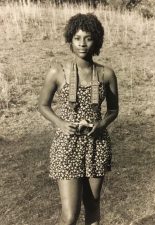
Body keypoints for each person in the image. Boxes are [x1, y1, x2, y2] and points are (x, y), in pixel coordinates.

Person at [38, 13, 119, 225]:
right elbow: (43, 105)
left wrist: (100, 124)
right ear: (70, 40)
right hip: (67, 146)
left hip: (96, 145)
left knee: (93, 206)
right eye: (77, 38)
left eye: (88, 38)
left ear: (97, 41)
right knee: (70, 214)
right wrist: (61, 124)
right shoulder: (58, 71)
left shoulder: (106, 74)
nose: (82, 44)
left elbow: (113, 109)